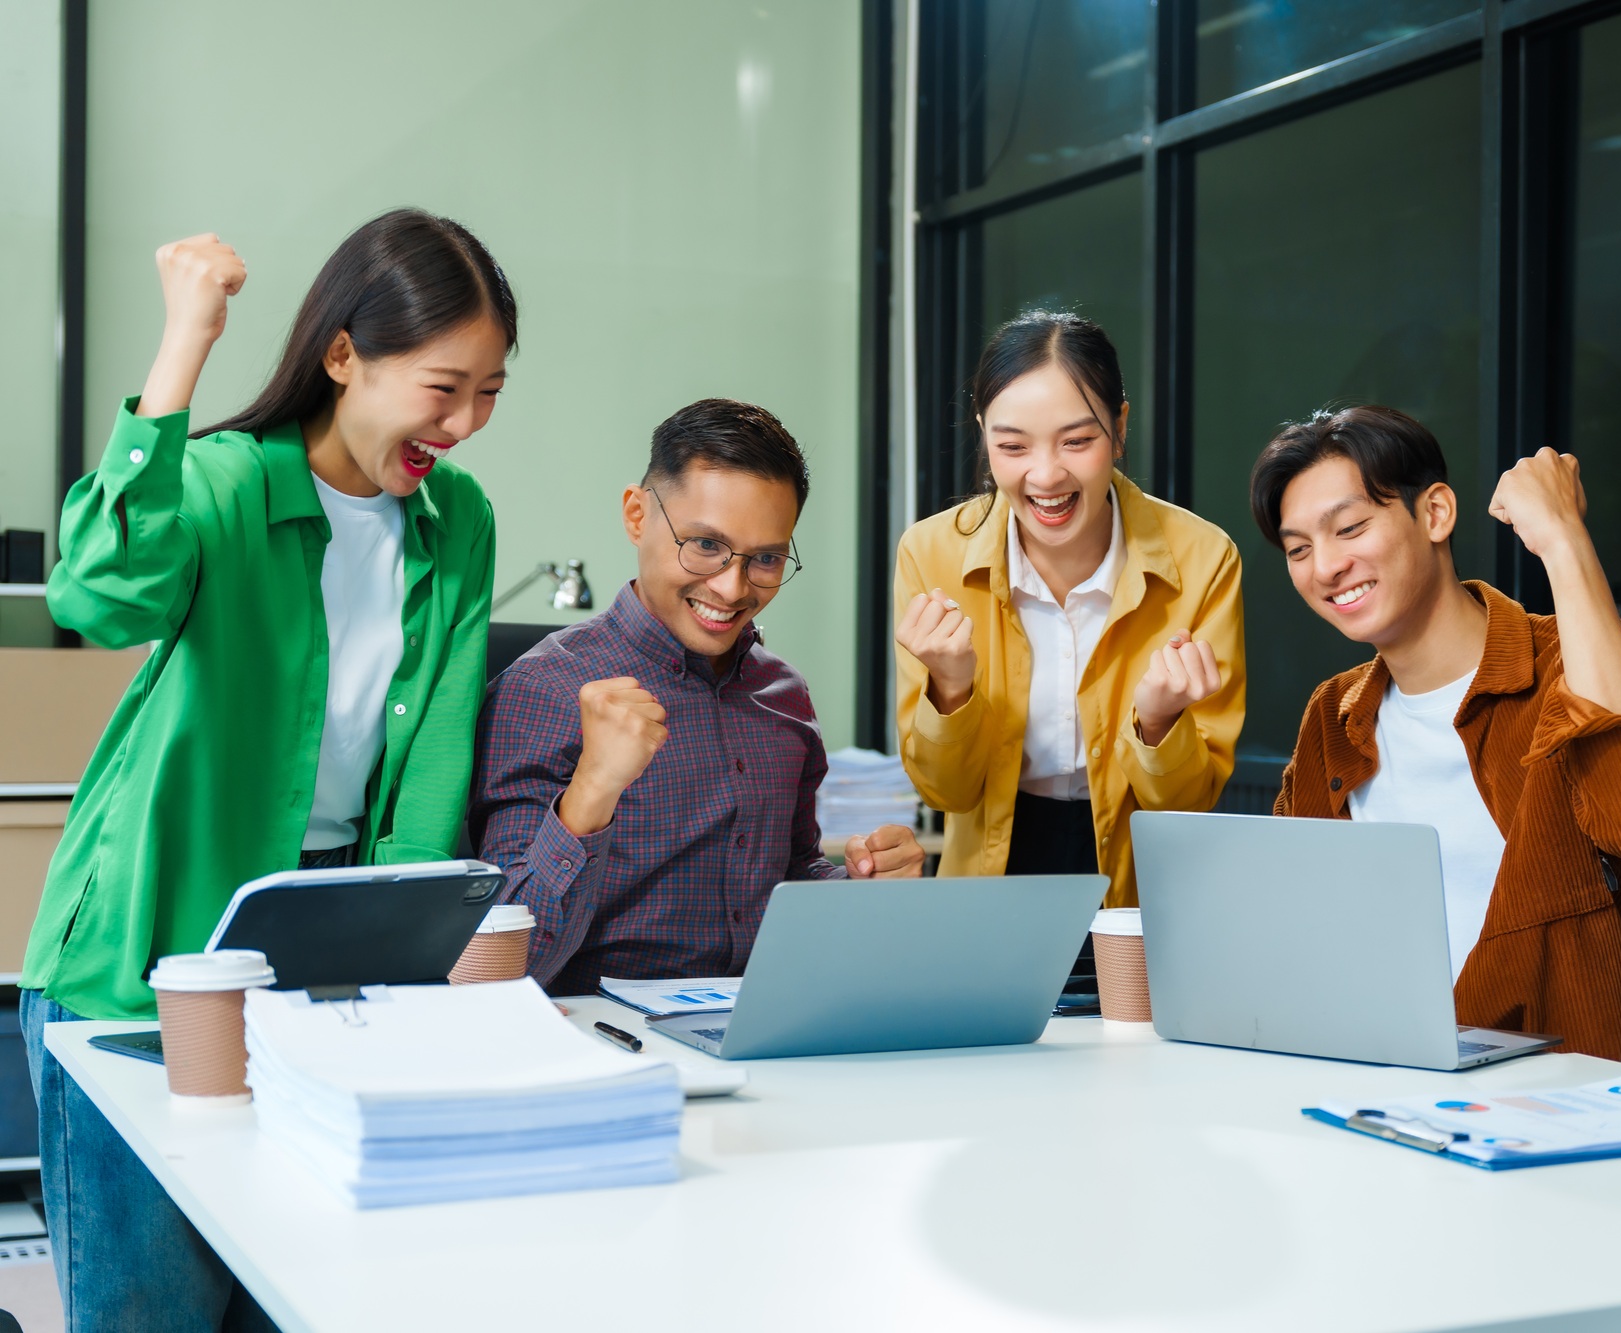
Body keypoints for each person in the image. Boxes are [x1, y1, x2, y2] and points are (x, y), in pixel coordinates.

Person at [20, 210, 511, 1328]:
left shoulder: (457, 520)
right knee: (153, 1309)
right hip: (146, 957)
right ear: (342, 356)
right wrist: (184, 340)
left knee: (304, 1302)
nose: (467, 423)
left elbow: (433, 756)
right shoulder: (225, 483)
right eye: (444, 387)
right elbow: (95, 599)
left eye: (489, 392)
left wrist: (408, 973)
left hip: (330, 967)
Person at [1252, 405, 1621, 1066]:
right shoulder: (1334, 713)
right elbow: (1295, 924)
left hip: (1572, 1091)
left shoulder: (1586, 665)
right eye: (1298, 549)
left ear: (1434, 513)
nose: (1326, 567)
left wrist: (1562, 539)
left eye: (1348, 528)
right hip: (1383, 1079)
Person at [473, 398, 924, 993]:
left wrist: (859, 887)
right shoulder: (543, 689)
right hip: (606, 1039)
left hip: (760, 1029)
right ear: (637, 514)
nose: (733, 587)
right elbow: (502, 967)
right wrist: (592, 792)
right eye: (706, 545)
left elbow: (788, 879)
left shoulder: (783, 694)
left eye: (765, 558)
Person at [893, 311, 1245, 967]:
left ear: (1119, 427)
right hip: (989, 879)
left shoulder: (1202, 558)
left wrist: (1160, 722)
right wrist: (949, 687)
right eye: (1013, 446)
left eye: (1077, 441)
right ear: (984, 436)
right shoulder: (931, 553)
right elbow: (945, 793)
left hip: (1139, 886)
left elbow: (1190, 803)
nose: (1046, 475)